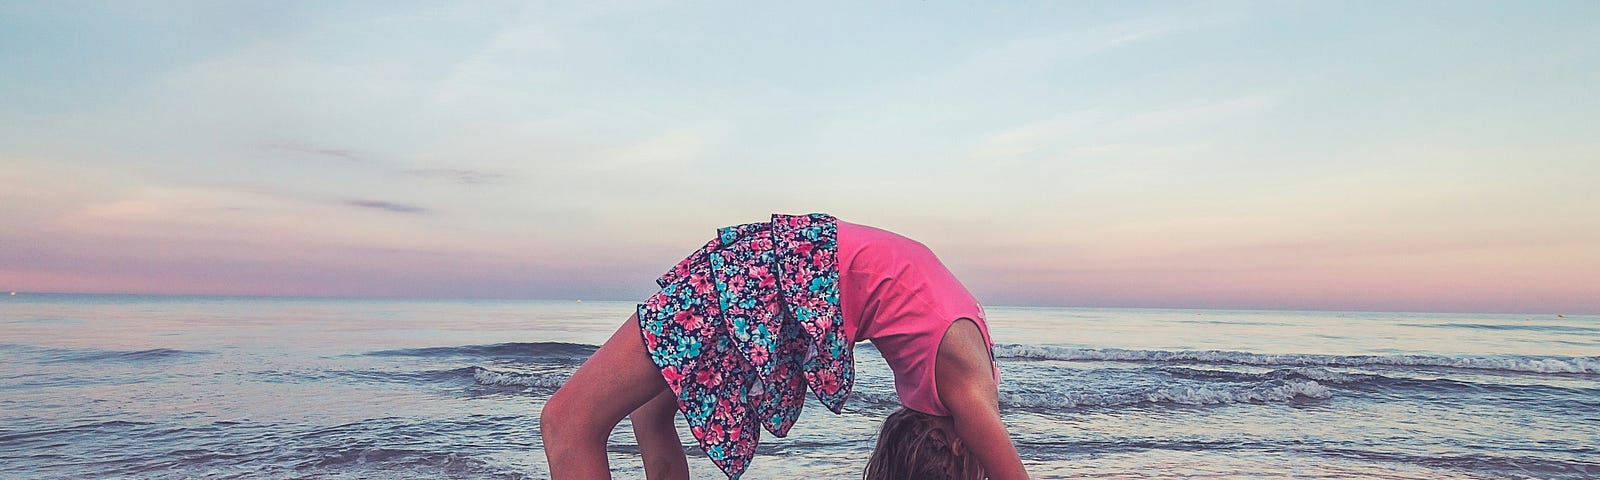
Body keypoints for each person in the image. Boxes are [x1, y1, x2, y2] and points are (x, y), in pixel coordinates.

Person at [540, 213, 1029, 480]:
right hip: (778, 274)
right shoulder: (968, 392)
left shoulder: (972, 367)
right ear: (964, 440)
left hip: (781, 273)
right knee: (579, 421)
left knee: (591, 419)